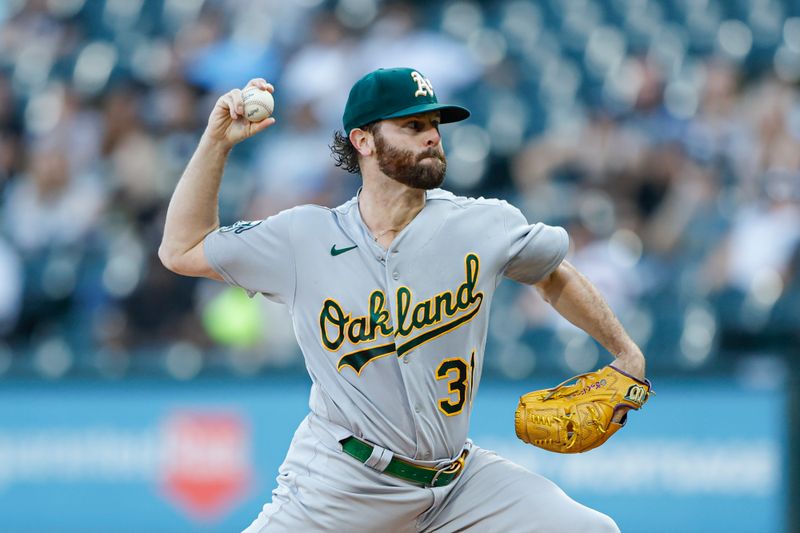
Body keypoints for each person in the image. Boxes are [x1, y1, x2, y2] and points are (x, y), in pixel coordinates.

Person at [159, 67, 646, 532]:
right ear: (363, 140)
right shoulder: (303, 236)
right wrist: (215, 144)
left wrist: (626, 351)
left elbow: (552, 274)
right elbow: (181, 250)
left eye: (435, 124)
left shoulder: (481, 223)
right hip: (342, 485)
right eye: (413, 125)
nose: (432, 135)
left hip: (457, 486)